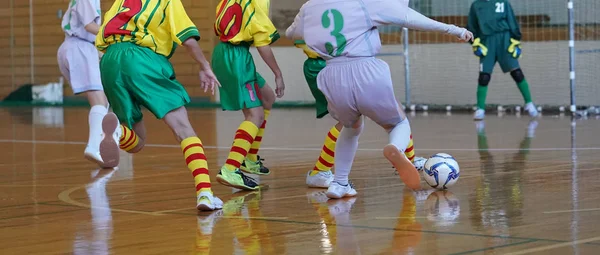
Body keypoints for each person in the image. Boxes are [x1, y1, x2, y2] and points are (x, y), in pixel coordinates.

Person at [287, 0, 472, 198]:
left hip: (331, 74)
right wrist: (455, 30)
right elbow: (408, 18)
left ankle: (340, 184)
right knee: (398, 123)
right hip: (364, 68)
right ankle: (396, 148)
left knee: (351, 128)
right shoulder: (363, 3)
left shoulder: (309, 7)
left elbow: (292, 34)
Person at [95, 0, 222, 211]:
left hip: (110, 61)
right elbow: (188, 40)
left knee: (137, 141)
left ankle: (117, 132)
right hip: (142, 58)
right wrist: (204, 66)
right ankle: (205, 193)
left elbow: (100, 39)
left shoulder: (119, 2)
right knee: (183, 128)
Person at [294, 40, 426, 188]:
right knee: (352, 118)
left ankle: (409, 158)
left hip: (346, 63)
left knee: (394, 107)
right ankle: (320, 171)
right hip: (333, 65)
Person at [212, 0, 285, 190]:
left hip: (223, 52)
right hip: (236, 56)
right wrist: (278, 73)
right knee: (255, 115)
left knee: (267, 97)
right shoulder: (259, 1)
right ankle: (231, 168)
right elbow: (262, 45)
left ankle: (250, 158)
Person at [57, 0, 110, 167]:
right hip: (79, 48)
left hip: (79, 47)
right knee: (99, 101)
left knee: (105, 101)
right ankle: (95, 147)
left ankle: (104, 142)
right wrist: (114, 34)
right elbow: (89, 26)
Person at [468, 0, 538, 120]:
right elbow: (472, 26)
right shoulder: (476, 5)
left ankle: (529, 103)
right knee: (484, 77)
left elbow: (512, 21)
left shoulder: (503, 2)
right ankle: (480, 109)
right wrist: (474, 43)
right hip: (487, 41)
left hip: (504, 40)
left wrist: (516, 40)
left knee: (516, 72)